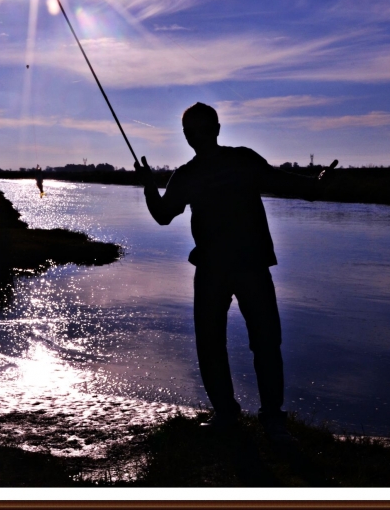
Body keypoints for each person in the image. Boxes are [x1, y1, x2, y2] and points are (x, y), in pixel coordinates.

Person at [133, 102, 335, 440]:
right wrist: (317, 182)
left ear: (204, 132)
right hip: (233, 266)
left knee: (248, 343)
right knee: (250, 343)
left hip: (235, 267)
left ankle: (249, 417)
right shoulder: (229, 163)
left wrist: (149, 185)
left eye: (193, 130)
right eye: (190, 130)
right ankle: (251, 417)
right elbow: (166, 215)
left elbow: (163, 214)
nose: (192, 135)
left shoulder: (204, 170)